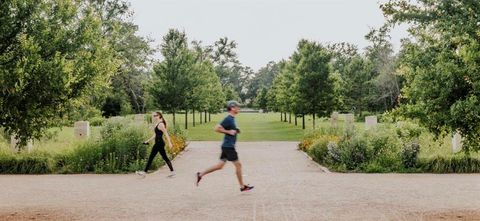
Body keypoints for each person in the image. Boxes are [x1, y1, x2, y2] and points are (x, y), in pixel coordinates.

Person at [196, 101, 254, 192]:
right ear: (232, 108)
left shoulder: (232, 118)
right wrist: (228, 132)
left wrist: (235, 130)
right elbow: (216, 128)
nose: (238, 108)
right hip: (228, 147)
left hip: (227, 146)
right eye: (237, 107)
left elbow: (229, 129)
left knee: (220, 166)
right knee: (238, 165)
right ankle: (242, 187)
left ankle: (200, 174)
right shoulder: (228, 118)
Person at [136, 112, 175, 178]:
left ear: (159, 116)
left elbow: (166, 134)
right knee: (164, 157)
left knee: (151, 157)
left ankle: (144, 172)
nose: (154, 117)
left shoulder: (161, 124)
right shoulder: (158, 124)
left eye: (155, 115)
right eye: (154, 116)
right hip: (158, 143)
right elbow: (155, 135)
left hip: (159, 143)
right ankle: (173, 172)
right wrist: (147, 141)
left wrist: (170, 143)